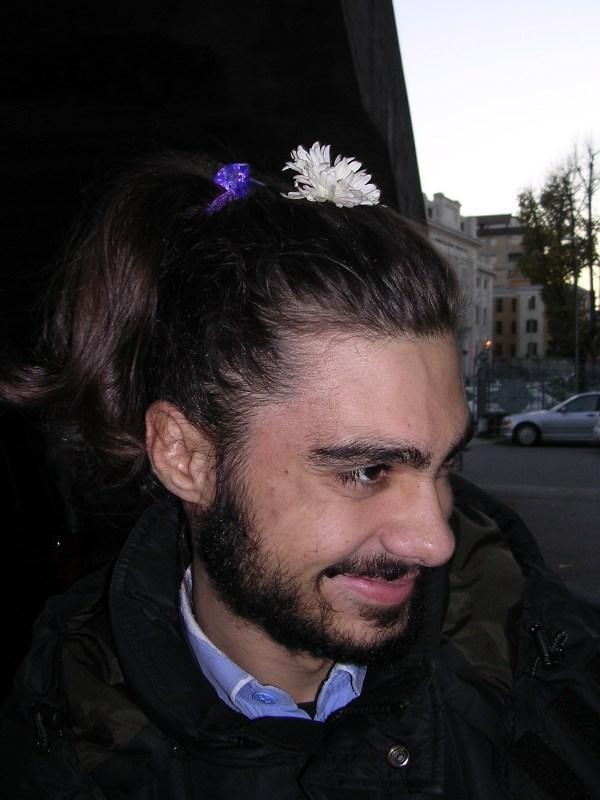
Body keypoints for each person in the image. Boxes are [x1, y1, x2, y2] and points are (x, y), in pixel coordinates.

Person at [1, 143, 599, 799]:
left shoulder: (539, 652)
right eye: (367, 471)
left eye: (444, 464)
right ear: (186, 457)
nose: (436, 543)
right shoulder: (68, 749)